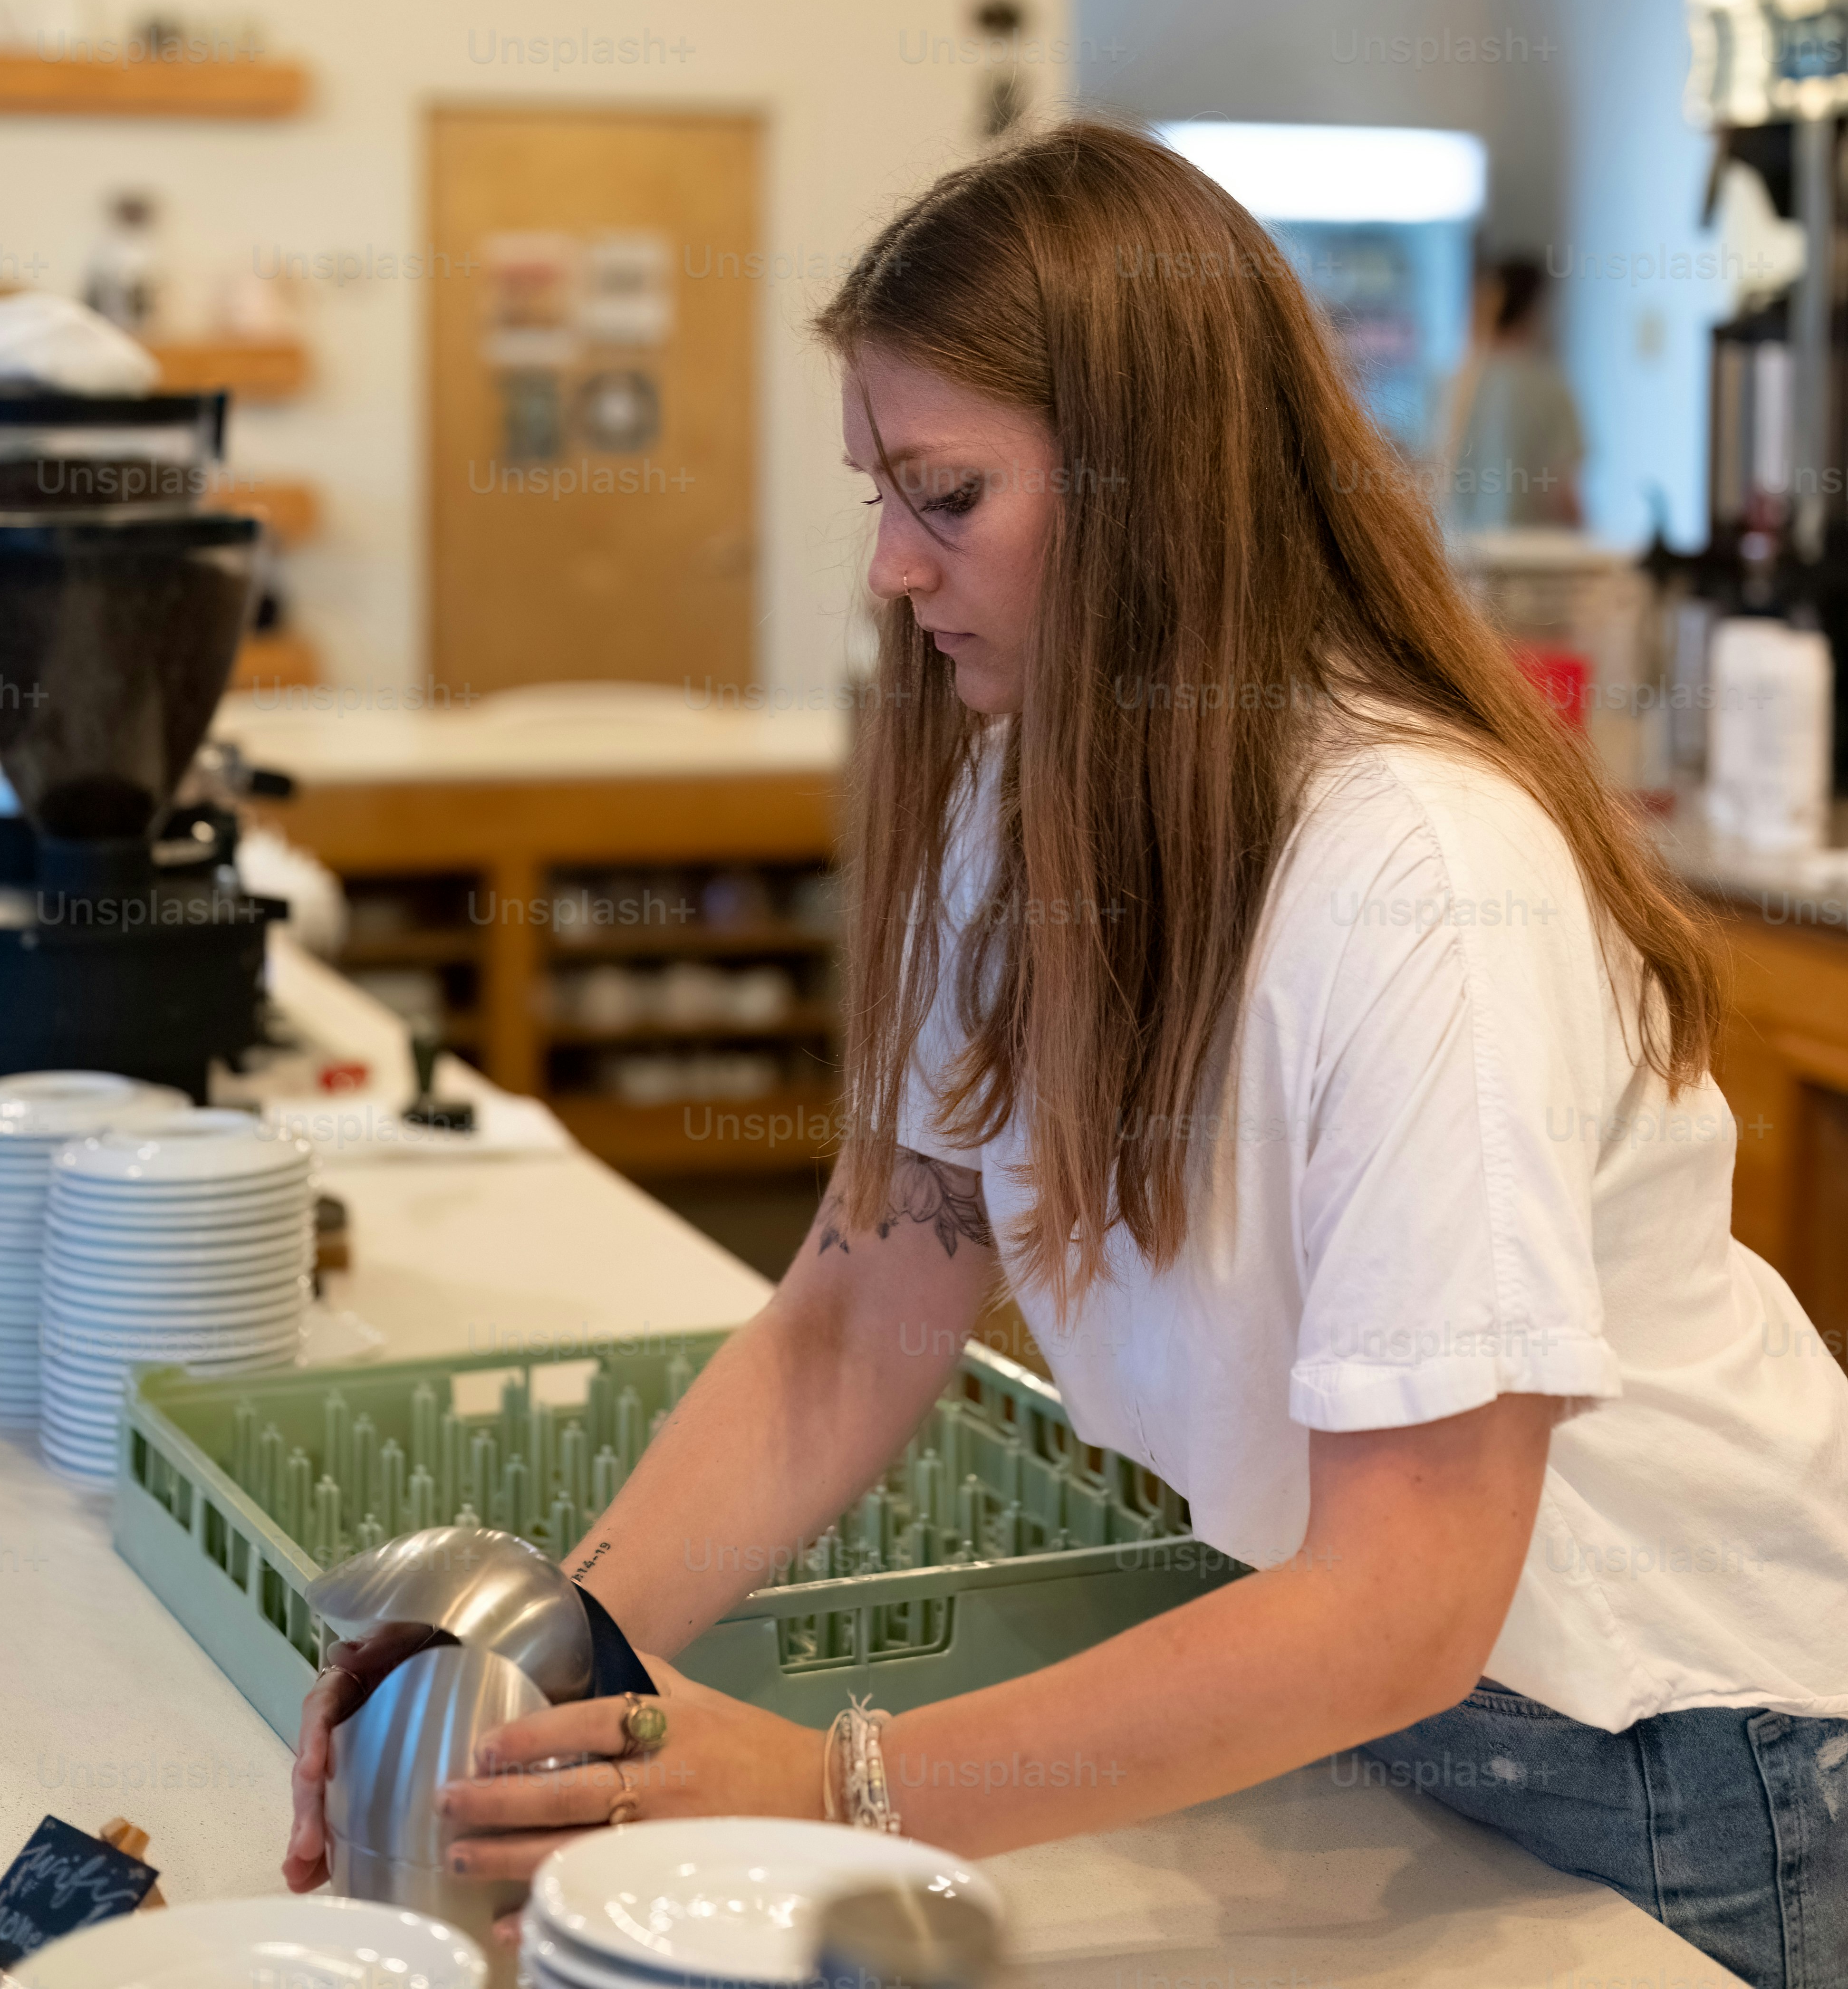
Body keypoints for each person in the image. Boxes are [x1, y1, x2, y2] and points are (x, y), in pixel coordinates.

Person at [286, 123, 1848, 1989]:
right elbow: (857, 1314)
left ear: (1157, 492)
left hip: (1683, 1748)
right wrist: (549, 1650)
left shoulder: (1421, 881)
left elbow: (1411, 1591)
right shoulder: (1028, 804)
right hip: (1374, 1687)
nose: (887, 568)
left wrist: (837, 1783)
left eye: (943, 494)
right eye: (877, 493)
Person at [1441, 255, 1586, 528]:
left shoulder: (1450, 386)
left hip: (1456, 554)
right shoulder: (1549, 388)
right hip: (1529, 559)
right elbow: (1563, 494)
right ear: (1532, 312)